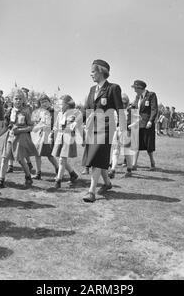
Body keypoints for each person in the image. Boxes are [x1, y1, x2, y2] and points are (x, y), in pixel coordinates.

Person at [81, 59, 124, 203]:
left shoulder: (113, 88)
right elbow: (87, 109)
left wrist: (121, 128)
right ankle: (107, 183)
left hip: (107, 127)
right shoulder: (92, 90)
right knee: (98, 157)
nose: (91, 74)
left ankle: (91, 191)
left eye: (93, 71)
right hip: (92, 127)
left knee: (97, 156)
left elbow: (120, 110)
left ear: (101, 71)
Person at [0, 88, 38, 189]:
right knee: (4, 158)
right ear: (13, 99)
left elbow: (31, 126)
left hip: (21, 138)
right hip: (10, 137)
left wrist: (20, 130)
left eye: (20, 99)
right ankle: (1, 181)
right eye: (16, 98)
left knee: (21, 160)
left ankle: (28, 177)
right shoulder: (9, 111)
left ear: (23, 100)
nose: (18, 101)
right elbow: (6, 127)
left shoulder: (26, 111)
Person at [51, 95, 82, 189]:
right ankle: (73, 174)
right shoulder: (60, 114)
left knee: (62, 159)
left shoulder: (75, 112)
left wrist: (75, 125)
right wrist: (51, 134)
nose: (59, 105)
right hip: (60, 137)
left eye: (61, 103)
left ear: (67, 104)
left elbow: (79, 121)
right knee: (62, 158)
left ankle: (58, 180)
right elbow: (56, 126)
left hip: (69, 137)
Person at [108, 93, 139, 178]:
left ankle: (129, 169)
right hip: (118, 131)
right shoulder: (116, 110)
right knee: (115, 151)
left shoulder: (130, 109)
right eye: (121, 102)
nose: (123, 104)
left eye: (124, 102)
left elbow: (138, 119)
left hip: (127, 132)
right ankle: (113, 170)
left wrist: (130, 126)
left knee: (127, 153)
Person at [131, 80, 158, 171]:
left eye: (135, 88)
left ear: (140, 88)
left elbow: (154, 109)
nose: (134, 90)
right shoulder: (137, 97)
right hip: (137, 123)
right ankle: (134, 164)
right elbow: (134, 107)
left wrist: (151, 121)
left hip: (147, 124)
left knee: (148, 145)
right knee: (135, 144)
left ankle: (152, 163)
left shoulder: (151, 95)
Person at [32, 94, 58, 180]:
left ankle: (58, 170)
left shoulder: (53, 111)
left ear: (49, 102)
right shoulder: (40, 112)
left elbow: (55, 124)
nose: (44, 103)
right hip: (40, 135)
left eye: (46, 101)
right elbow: (36, 123)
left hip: (49, 136)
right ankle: (38, 173)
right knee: (37, 154)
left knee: (49, 155)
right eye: (42, 102)